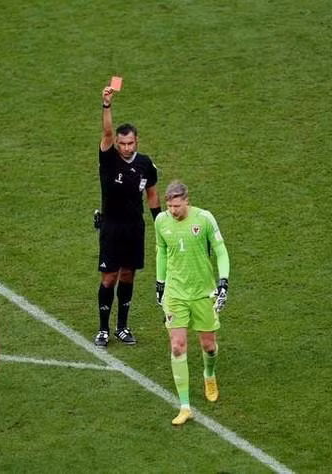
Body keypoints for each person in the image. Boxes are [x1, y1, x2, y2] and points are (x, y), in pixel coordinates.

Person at [155, 181, 229, 425]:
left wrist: (223, 282)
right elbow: (161, 251)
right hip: (175, 294)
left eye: (177, 206)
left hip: (202, 293)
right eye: (169, 206)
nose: (173, 211)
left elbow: (220, 250)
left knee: (208, 345)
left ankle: (209, 373)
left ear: (187, 200)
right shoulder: (161, 222)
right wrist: (160, 282)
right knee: (177, 346)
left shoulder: (205, 219)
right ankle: (185, 406)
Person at [94, 82, 161, 347]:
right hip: (112, 226)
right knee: (109, 277)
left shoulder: (145, 164)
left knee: (128, 276)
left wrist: (160, 222)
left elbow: (153, 195)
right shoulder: (109, 158)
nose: (125, 147)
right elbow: (107, 130)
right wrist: (107, 103)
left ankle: (122, 326)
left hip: (135, 227)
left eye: (130, 143)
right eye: (122, 143)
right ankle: (103, 329)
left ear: (137, 141)